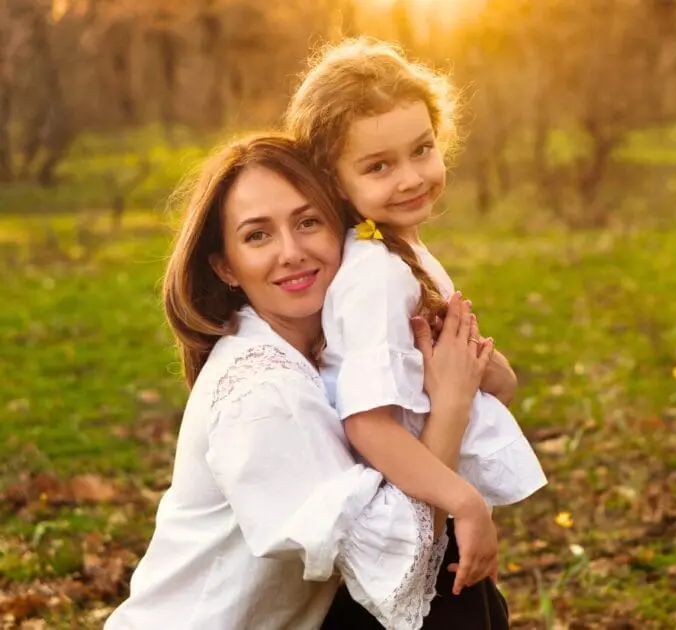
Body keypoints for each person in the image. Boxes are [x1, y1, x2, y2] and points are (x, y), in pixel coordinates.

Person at [104, 133, 499, 630]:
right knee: (451, 586)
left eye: (308, 222)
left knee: (468, 586)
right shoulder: (263, 390)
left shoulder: (332, 351)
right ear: (225, 266)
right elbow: (404, 566)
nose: (291, 253)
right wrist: (451, 409)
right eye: (257, 236)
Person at [284, 38, 548, 629]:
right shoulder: (373, 273)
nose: (411, 178)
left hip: (428, 501)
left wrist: (490, 369)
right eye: (378, 166)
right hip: (409, 513)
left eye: (422, 149)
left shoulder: (398, 248)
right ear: (332, 177)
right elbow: (368, 423)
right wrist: (463, 500)